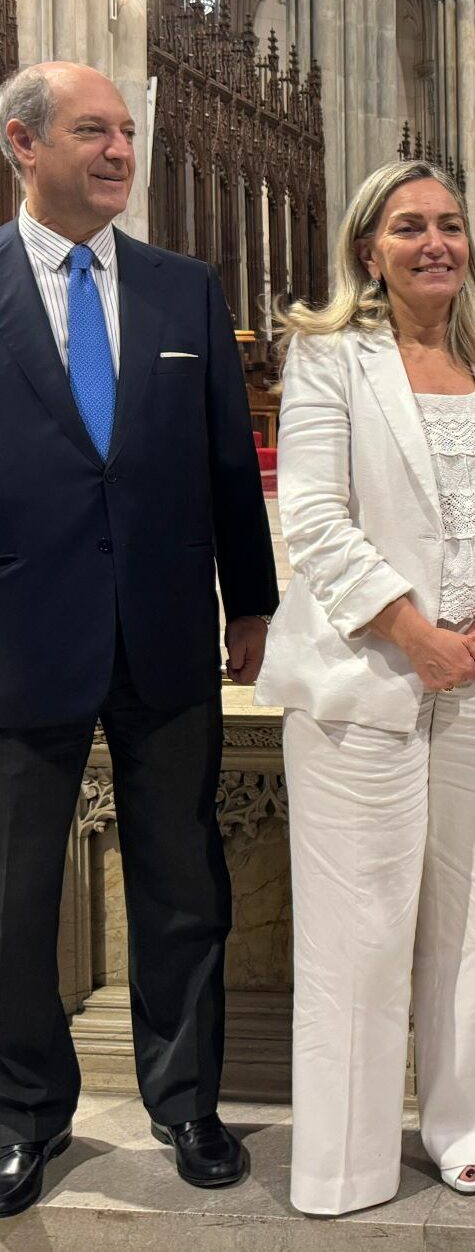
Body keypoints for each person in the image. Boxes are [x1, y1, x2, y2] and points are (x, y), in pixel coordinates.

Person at [256, 160, 475, 1216]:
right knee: (359, 930)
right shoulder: (327, 356)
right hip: (368, 678)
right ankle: (344, 1161)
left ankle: (472, 1126)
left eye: (449, 224)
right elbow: (312, 517)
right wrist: (413, 632)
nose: (435, 242)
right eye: (409, 227)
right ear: (369, 250)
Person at [0, 63, 278, 1217]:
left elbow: (225, 460)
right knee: (12, 893)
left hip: (164, 628)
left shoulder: (182, 290)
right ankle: (24, 1110)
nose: (121, 150)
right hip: (21, 636)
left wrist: (250, 601)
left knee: (181, 881)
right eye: (93, 131)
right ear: (23, 145)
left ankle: (186, 1100)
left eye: (126, 132)